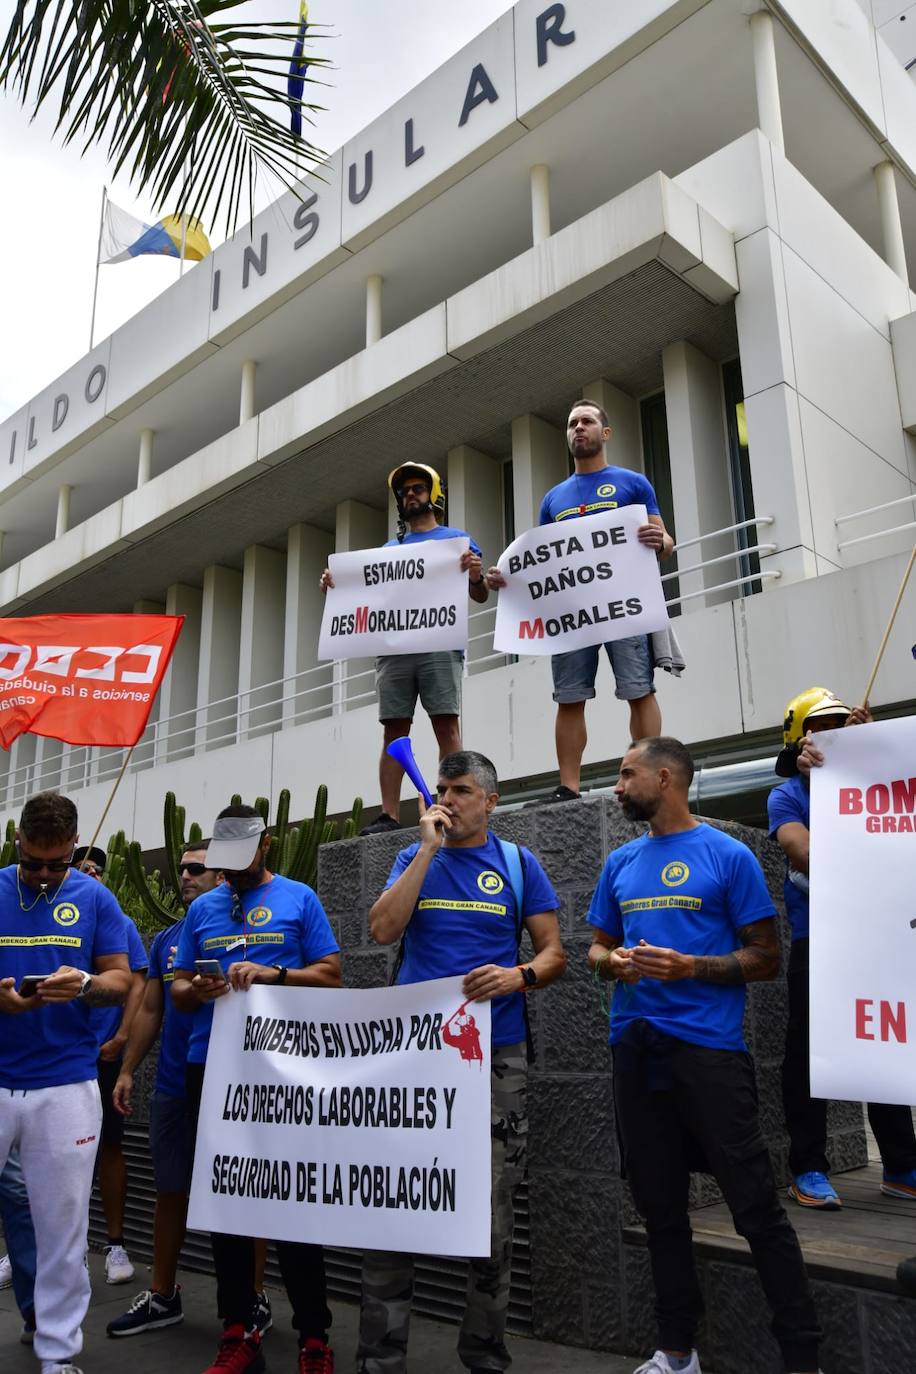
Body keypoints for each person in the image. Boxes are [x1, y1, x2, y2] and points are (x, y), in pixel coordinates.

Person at [587, 738, 822, 1374]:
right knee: (659, 1209)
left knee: (756, 1209)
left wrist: (691, 966)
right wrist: (613, 963)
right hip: (634, 1051)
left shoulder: (728, 855)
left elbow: (766, 958)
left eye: (626, 774)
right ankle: (676, 1353)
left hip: (709, 1054)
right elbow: (596, 948)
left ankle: (803, 1357)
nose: (617, 786)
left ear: (666, 778)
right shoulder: (620, 862)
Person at [358, 750, 566, 1374]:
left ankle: (484, 1355)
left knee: (492, 1210)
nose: (446, 799)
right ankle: (380, 1358)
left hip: (495, 1058)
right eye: (441, 788)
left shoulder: (517, 864)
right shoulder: (412, 857)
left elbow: (554, 953)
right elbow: (381, 930)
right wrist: (427, 850)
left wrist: (518, 975)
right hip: (415, 1056)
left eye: (461, 790)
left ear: (491, 801)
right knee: (394, 1203)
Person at [172, 805, 341, 1374]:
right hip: (213, 1067)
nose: (232, 872)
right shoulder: (203, 908)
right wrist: (199, 988)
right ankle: (238, 1329)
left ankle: (313, 1336)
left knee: (293, 1204)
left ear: (266, 845)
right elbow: (177, 989)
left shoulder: (299, 898)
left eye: (242, 860)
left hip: (285, 1070)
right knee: (227, 1204)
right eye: (224, 862)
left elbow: (332, 975)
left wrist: (276, 975)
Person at [0, 790, 131, 1374]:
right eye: (33, 862)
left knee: (62, 1227)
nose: (44, 875)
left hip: (66, 1085)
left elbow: (123, 981)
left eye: (57, 864)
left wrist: (84, 985)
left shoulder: (95, 896)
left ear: (75, 846)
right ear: (17, 843)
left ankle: (57, 1354)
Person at [769, 689, 916, 1210]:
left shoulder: (877, 785)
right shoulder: (786, 795)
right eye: (822, 727)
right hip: (819, 938)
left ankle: (902, 1164)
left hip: (877, 934)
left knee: (885, 1043)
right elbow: (804, 852)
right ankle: (808, 1167)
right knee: (809, 1054)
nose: (832, 733)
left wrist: (870, 753)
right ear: (798, 739)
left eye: (841, 725)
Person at [486, 400, 674, 802]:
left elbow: (665, 542)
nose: (578, 428)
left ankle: (645, 776)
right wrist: (508, 578)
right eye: (572, 423)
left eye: (587, 421)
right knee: (569, 698)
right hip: (572, 615)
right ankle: (568, 787)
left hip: (624, 607)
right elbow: (544, 562)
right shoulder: (553, 498)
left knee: (639, 690)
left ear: (605, 433)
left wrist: (661, 540)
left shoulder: (633, 483)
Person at [320, 463, 488, 834]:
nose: (410, 494)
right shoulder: (387, 550)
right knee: (394, 731)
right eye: (404, 491)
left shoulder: (457, 540)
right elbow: (365, 595)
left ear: (434, 494)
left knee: (446, 725)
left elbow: (479, 595)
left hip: (439, 645)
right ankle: (389, 815)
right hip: (394, 651)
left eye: (417, 488)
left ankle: (450, 805)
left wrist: (475, 574)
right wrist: (337, 585)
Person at [106, 845, 222, 1336]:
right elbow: (151, 1009)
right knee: (169, 1190)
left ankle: (254, 1300)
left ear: (223, 875)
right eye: (182, 868)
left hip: (231, 1086)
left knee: (241, 1196)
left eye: (197, 868)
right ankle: (163, 1295)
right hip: (174, 1086)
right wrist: (128, 1069)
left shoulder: (239, 933)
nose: (185, 875)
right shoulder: (169, 940)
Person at [74, 845, 150, 1286]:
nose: (90, 873)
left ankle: (115, 1244)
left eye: (97, 869)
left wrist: (121, 1038)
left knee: (109, 1146)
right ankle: (37, 1245)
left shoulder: (117, 921)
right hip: (60, 1057)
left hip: (103, 1054)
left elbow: (137, 983)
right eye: (81, 866)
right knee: (46, 1153)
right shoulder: (53, 917)